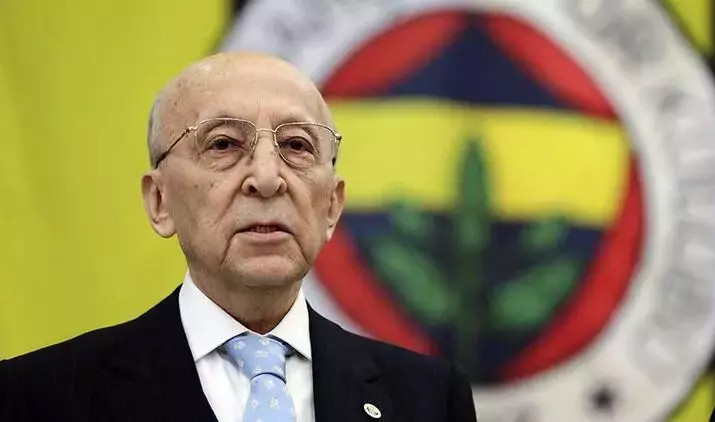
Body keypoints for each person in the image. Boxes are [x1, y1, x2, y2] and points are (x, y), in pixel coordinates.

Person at [0, 52, 477, 422]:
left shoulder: (429, 400)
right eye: (223, 144)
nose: (267, 179)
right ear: (160, 201)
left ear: (332, 206)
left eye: (296, 145)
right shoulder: (36, 398)